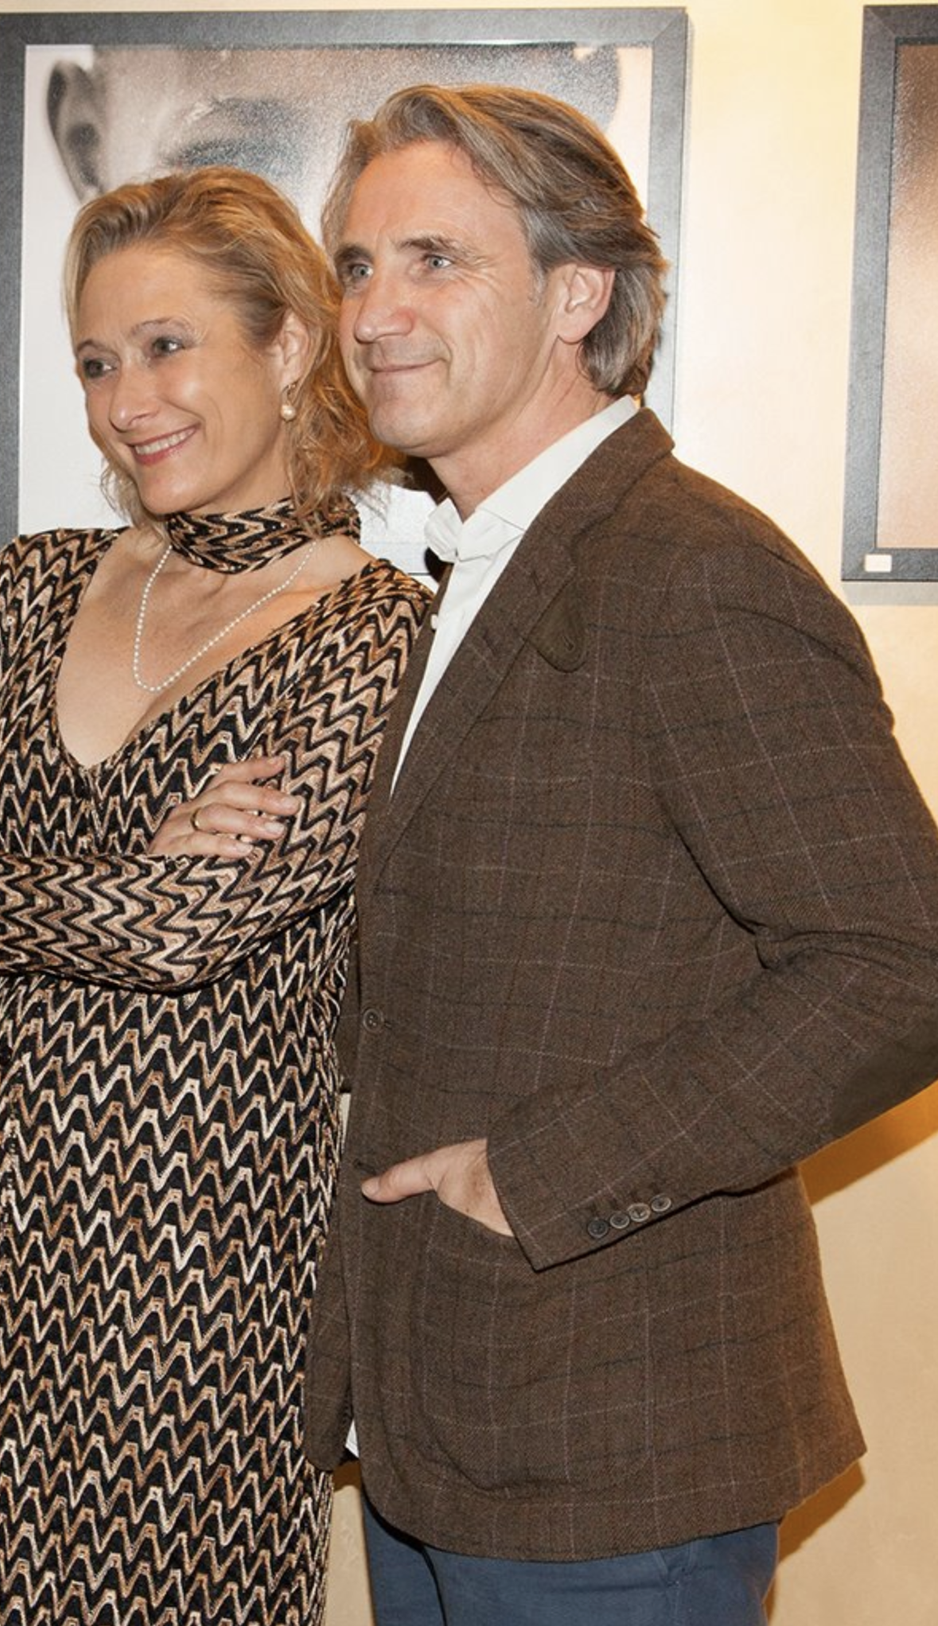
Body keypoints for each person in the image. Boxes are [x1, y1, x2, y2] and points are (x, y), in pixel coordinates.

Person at [285, 83, 938, 1622]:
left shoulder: (691, 571)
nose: (376, 310)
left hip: (612, 1443)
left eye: (436, 259)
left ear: (580, 292)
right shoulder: (479, 566)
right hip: (450, 1424)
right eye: (359, 265)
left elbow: (900, 962)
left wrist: (539, 1173)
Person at [0, 166, 428, 1624]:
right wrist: (99, 879)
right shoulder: (32, 589)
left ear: (289, 348)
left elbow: (181, 933)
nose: (123, 398)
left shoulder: (377, 638)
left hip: (204, 1285)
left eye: (167, 346)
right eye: (96, 360)